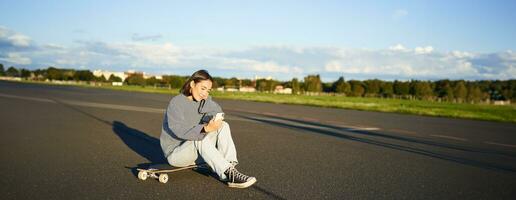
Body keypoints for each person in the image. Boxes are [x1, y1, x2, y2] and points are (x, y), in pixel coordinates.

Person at [160, 69, 257, 188]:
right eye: (203, 88)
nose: (205, 93)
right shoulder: (176, 103)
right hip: (176, 154)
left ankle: (229, 165)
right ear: (192, 84)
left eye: (208, 90)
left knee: (223, 125)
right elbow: (179, 130)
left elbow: (217, 112)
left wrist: (213, 121)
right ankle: (227, 172)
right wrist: (205, 129)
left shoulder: (204, 101)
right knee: (199, 135)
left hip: (194, 151)